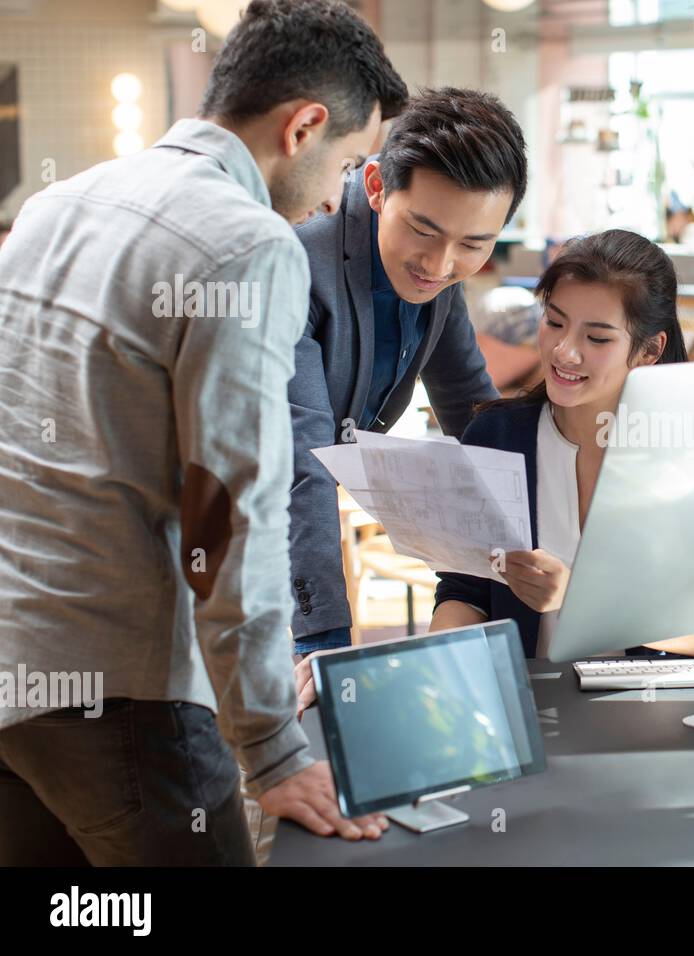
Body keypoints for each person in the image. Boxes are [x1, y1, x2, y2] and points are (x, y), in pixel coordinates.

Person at [0, 0, 406, 865]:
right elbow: (227, 516)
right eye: (348, 163)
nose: (341, 194)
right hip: (123, 699)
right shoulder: (245, 245)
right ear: (304, 126)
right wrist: (272, 746)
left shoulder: (55, 205)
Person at [293, 231, 694, 708]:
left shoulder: (681, 451)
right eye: (554, 323)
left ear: (650, 349)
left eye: (596, 337)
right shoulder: (498, 436)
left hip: (650, 713)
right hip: (523, 707)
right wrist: (431, 666)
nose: (565, 352)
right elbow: (464, 590)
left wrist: (576, 595)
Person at [287, 87, 526, 658]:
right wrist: (321, 642)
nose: (441, 265)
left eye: (473, 243)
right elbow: (302, 466)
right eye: (423, 230)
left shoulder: (438, 281)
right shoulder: (297, 266)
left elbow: (474, 411)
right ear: (375, 188)